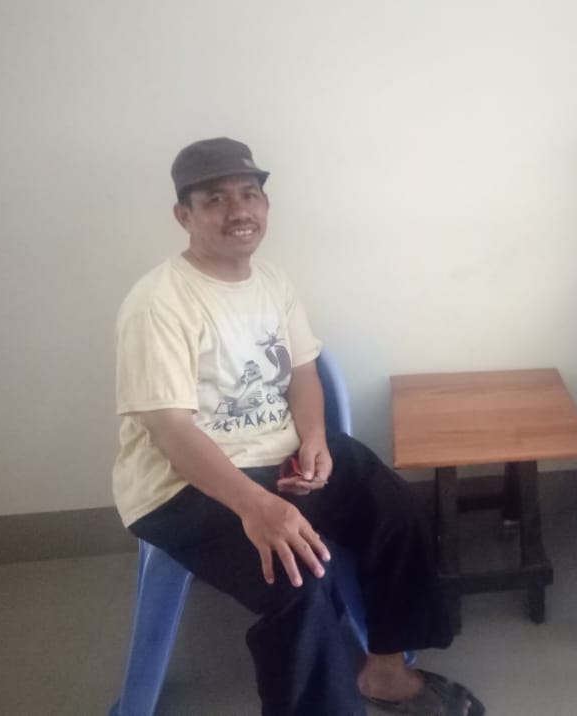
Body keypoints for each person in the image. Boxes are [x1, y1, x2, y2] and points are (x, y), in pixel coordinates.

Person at [113, 137, 485, 716]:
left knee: (396, 506)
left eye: (249, 194)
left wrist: (314, 439)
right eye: (215, 199)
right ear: (184, 215)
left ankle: (385, 671)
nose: (239, 211)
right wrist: (257, 507)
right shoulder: (158, 302)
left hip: (277, 458)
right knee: (300, 577)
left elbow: (303, 373)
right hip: (182, 484)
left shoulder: (273, 284)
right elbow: (171, 433)